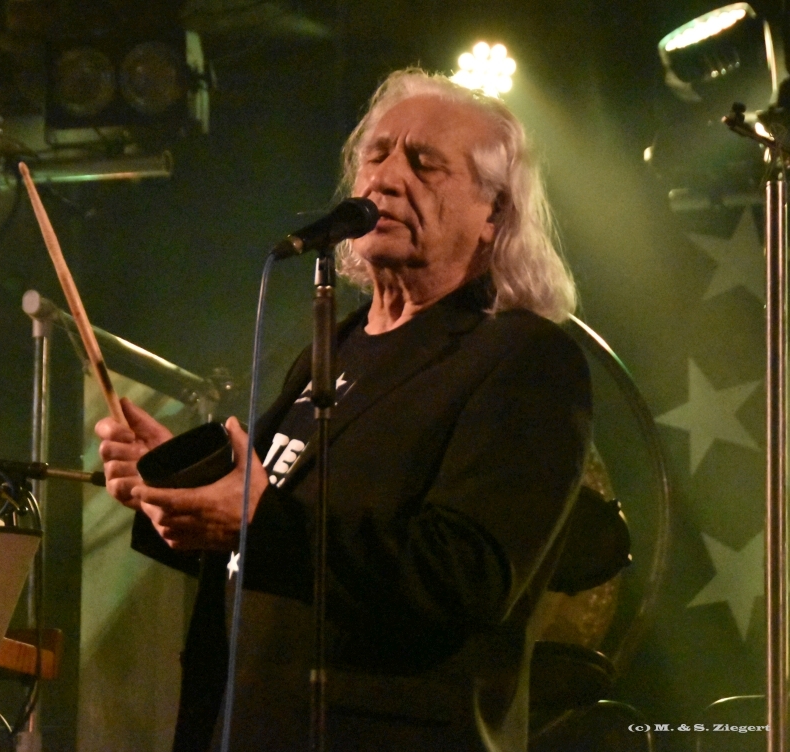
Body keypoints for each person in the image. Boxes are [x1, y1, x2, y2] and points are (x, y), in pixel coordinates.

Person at [96, 68, 592, 752]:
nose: (386, 179)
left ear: (493, 216)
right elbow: (266, 538)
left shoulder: (523, 357)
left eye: (425, 164)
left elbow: (466, 577)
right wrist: (174, 487)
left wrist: (258, 522)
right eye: (376, 155)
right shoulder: (333, 349)